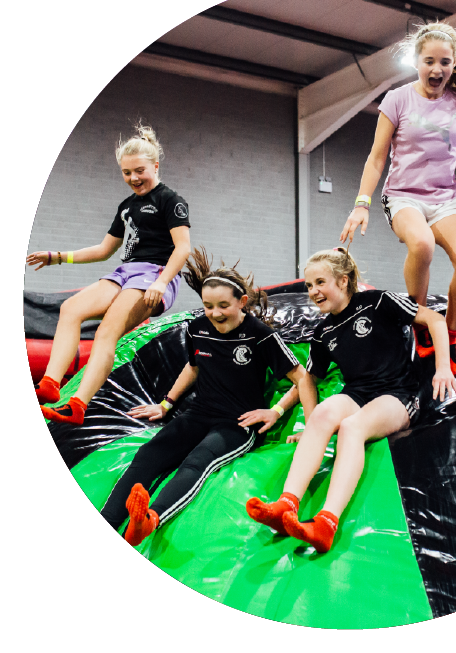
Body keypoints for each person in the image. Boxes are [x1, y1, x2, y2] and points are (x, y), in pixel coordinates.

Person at [246, 247, 456, 554]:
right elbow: (308, 380)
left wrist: (443, 368)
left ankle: (326, 522)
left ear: (343, 281)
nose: (313, 291)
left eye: (320, 282)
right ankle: (286, 505)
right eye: (309, 285)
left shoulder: (377, 302)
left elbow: (435, 319)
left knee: (352, 427)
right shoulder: (323, 331)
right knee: (322, 415)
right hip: (358, 392)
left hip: (398, 394)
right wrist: (306, 423)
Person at [340, 22, 456, 374]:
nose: (436, 69)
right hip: (402, 197)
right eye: (429, 62)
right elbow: (376, 158)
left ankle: (450, 333)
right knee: (422, 244)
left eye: (444, 62)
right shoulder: (398, 99)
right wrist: (361, 203)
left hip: (444, 201)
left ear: (454, 65)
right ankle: (420, 321)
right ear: (416, 62)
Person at [100, 247, 315, 547]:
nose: (215, 313)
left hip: (238, 423)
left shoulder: (260, 335)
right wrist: (166, 404)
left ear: (242, 302)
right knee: (149, 453)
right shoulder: (198, 328)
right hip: (198, 414)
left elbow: (302, 378)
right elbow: (193, 366)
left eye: (223, 305)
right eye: (208, 306)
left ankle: (150, 520)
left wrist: (285, 415)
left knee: (198, 460)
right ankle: (106, 522)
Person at [27, 124, 192, 425]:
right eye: (126, 173)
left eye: (139, 171)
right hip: (125, 272)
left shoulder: (170, 200)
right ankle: (50, 384)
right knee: (71, 308)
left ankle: (77, 405)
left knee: (106, 332)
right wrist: (58, 257)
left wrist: (161, 281)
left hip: (154, 274)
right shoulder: (127, 206)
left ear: (155, 166)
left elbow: (183, 248)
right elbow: (104, 249)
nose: (133, 178)